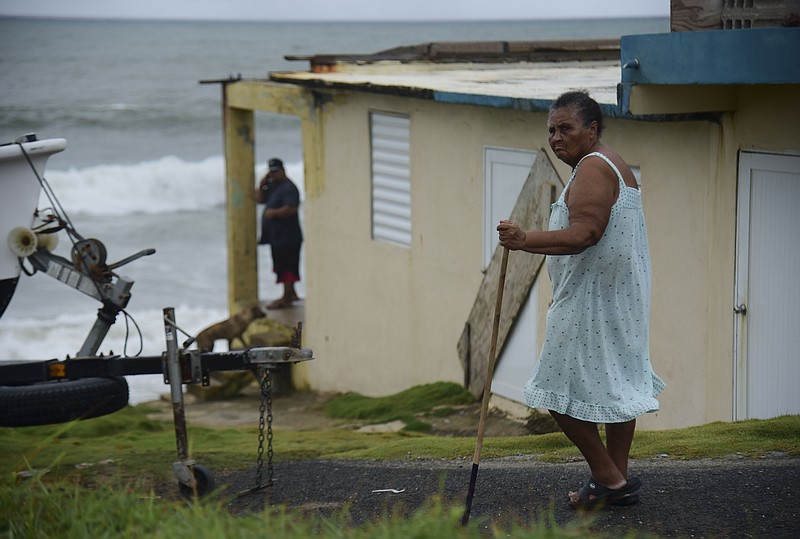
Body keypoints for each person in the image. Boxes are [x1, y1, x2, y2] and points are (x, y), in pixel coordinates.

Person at [497, 90, 665, 509]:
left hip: (593, 302)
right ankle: (613, 482)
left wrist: (524, 240)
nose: (556, 137)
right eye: (551, 129)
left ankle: (608, 478)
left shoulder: (593, 167)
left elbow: (585, 234)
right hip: (618, 297)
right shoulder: (605, 163)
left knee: (551, 391)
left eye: (566, 128)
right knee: (617, 388)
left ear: (592, 129)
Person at [254, 158, 303, 309]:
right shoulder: (273, 186)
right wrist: (262, 185)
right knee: (280, 265)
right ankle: (291, 293)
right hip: (276, 236)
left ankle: (286, 297)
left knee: (287, 267)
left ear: (283, 171)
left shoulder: (289, 188)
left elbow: (291, 208)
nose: (273, 175)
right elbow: (259, 199)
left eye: (276, 172)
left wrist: (273, 213)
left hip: (288, 236)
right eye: (271, 173)